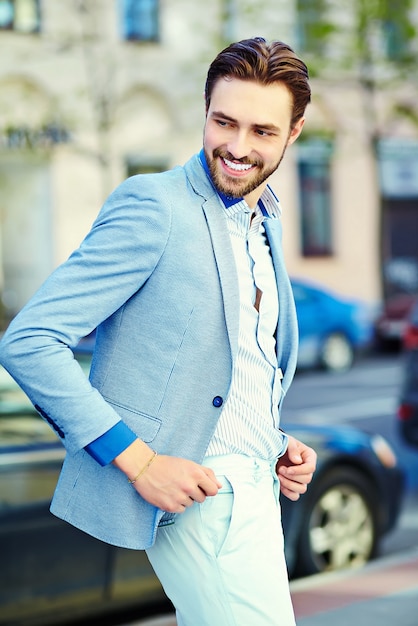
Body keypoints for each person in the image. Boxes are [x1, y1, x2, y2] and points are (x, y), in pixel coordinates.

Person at [0, 37, 316, 625]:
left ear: (294, 132)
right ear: (204, 110)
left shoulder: (260, 219)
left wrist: (270, 442)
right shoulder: (155, 205)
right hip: (201, 498)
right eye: (223, 122)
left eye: (262, 132)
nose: (238, 148)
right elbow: (30, 341)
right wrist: (140, 462)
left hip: (255, 490)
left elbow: (223, 363)